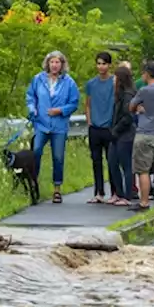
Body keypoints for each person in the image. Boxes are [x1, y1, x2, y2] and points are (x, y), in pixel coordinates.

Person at [25, 50, 80, 203]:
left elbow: (74, 103)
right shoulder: (38, 79)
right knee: (35, 152)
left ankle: (57, 189)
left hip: (59, 125)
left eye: (57, 62)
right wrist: (32, 109)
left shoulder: (69, 82)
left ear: (62, 64)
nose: (54, 65)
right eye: (52, 62)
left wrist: (61, 110)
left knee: (58, 157)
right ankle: (33, 185)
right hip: (41, 124)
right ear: (47, 63)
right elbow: (30, 97)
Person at [129, 60, 154, 212]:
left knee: (143, 171)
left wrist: (138, 108)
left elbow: (131, 106)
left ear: (146, 73)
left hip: (144, 133)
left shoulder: (144, 91)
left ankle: (144, 202)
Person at [84, 51, 117, 203]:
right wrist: (89, 121)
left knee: (112, 161)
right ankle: (99, 192)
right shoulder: (91, 84)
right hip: (95, 127)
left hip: (109, 127)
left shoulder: (115, 82)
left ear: (109, 65)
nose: (101, 66)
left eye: (104, 63)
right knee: (96, 161)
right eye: (98, 63)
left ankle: (115, 192)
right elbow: (88, 103)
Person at [108, 65, 136, 206]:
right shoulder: (119, 95)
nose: (113, 80)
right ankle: (118, 193)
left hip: (125, 135)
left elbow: (128, 117)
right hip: (117, 134)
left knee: (126, 165)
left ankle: (127, 195)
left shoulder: (128, 95)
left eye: (115, 77)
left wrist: (116, 130)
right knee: (112, 162)